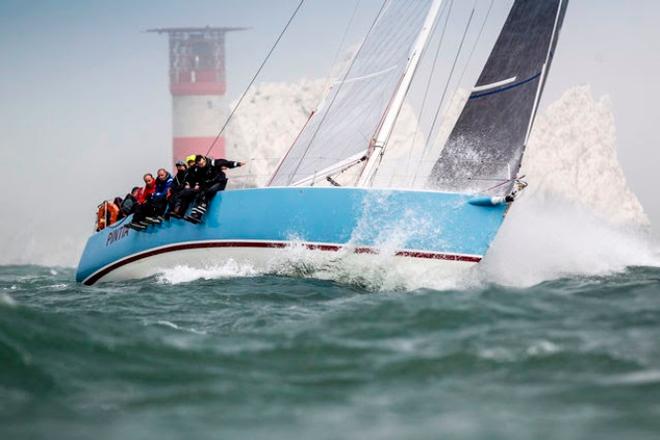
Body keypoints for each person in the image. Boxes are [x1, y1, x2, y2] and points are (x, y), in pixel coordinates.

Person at [186, 155, 244, 223]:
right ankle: (193, 215)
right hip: (209, 184)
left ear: (204, 159)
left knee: (208, 193)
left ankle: (198, 215)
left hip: (220, 182)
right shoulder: (198, 169)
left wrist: (238, 164)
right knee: (199, 194)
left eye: (202, 163)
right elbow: (194, 176)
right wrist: (197, 185)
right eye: (199, 164)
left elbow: (226, 163)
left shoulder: (213, 163)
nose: (201, 165)